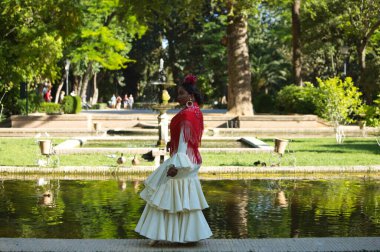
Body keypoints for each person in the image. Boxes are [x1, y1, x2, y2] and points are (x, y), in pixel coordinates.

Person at [135, 74, 212, 245]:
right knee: (184, 198)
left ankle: (156, 234)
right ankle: (189, 235)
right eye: (178, 93)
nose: (178, 97)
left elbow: (184, 141)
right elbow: (188, 138)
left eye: (181, 93)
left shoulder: (187, 115)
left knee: (163, 193)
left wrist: (176, 165)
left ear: (190, 96)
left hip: (183, 160)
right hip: (192, 159)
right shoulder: (195, 111)